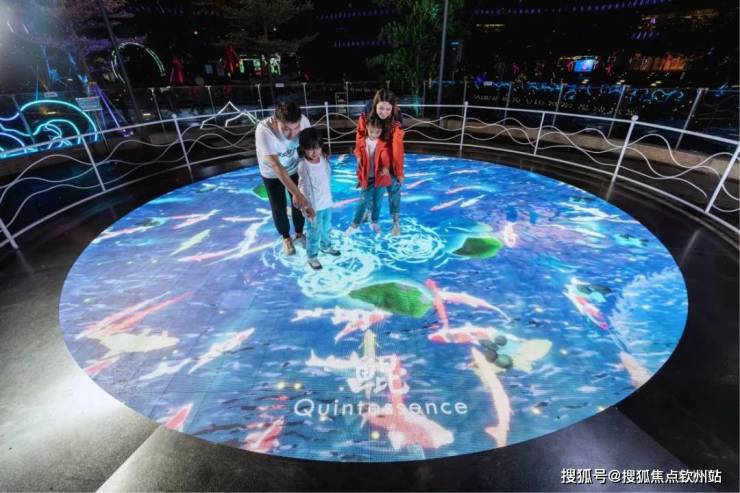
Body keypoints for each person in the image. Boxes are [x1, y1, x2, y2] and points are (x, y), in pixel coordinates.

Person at [255, 101, 315, 255]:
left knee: (298, 204)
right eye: (286, 129)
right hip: (271, 173)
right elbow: (276, 166)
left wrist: (303, 186)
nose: (292, 134)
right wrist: (296, 192)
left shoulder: (304, 122)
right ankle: (286, 237)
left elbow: (308, 149)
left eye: (296, 128)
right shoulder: (264, 130)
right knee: (278, 205)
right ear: (276, 121)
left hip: (294, 167)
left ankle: (299, 233)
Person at [357, 89, 405, 235]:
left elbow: (397, 145)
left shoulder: (396, 116)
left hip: (388, 156)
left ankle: (396, 222)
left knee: (394, 188)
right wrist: (360, 159)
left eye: (388, 109)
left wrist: (398, 171)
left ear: (393, 108)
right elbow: (360, 136)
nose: (384, 112)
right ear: (375, 105)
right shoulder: (366, 112)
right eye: (381, 108)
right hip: (371, 155)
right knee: (370, 186)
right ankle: (369, 212)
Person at [297, 127, 340, 270]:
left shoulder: (323, 160)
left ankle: (326, 246)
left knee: (326, 228)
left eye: (317, 147)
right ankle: (312, 256)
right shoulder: (303, 165)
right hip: (313, 208)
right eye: (310, 148)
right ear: (303, 148)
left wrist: (330, 199)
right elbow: (302, 186)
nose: (314, 152)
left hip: (326, 203)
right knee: (313, 232)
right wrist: (306, 207)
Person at [346, 114, 391, 236]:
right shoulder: (361, 142)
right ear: (367, 127)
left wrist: (386, 167)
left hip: (380, 178)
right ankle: (355, 224)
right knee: (362, 201)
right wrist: (359, 178)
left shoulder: (383, 143)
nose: (374, 134)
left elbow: (386, 157)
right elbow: (359, 163)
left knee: (377, 201)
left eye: (377, 132)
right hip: (367, 178)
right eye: (371, 131)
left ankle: (374, 221)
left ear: (381, 130)